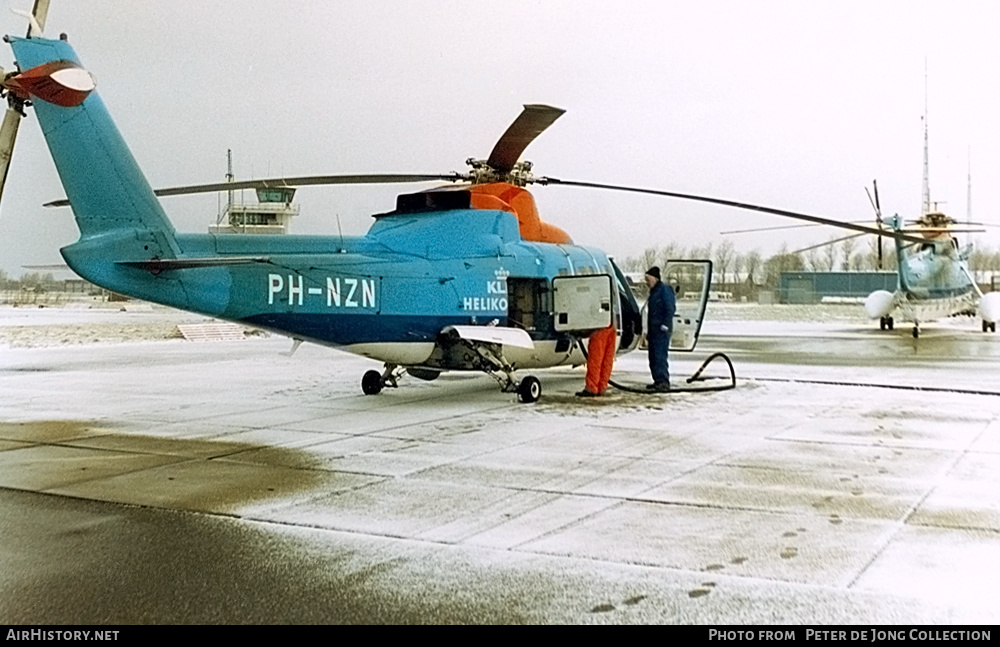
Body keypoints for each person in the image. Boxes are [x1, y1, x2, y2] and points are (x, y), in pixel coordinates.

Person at [644, 266, 675, 391]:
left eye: (648, 279)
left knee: (660, 356)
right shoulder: (654, 292)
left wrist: (666, 324)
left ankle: (663, 381)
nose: (646, 282)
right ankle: (657, 380)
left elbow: (670, 308)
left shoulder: (664, 290)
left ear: (654, 279)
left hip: (661, 331)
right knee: (653, 357)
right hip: (654, 330)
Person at [576, 322, 616, 397]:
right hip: (611, 326)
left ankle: (592, 387)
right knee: (607, 360)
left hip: (599, 325)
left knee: (596, 359)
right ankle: (602, 386)